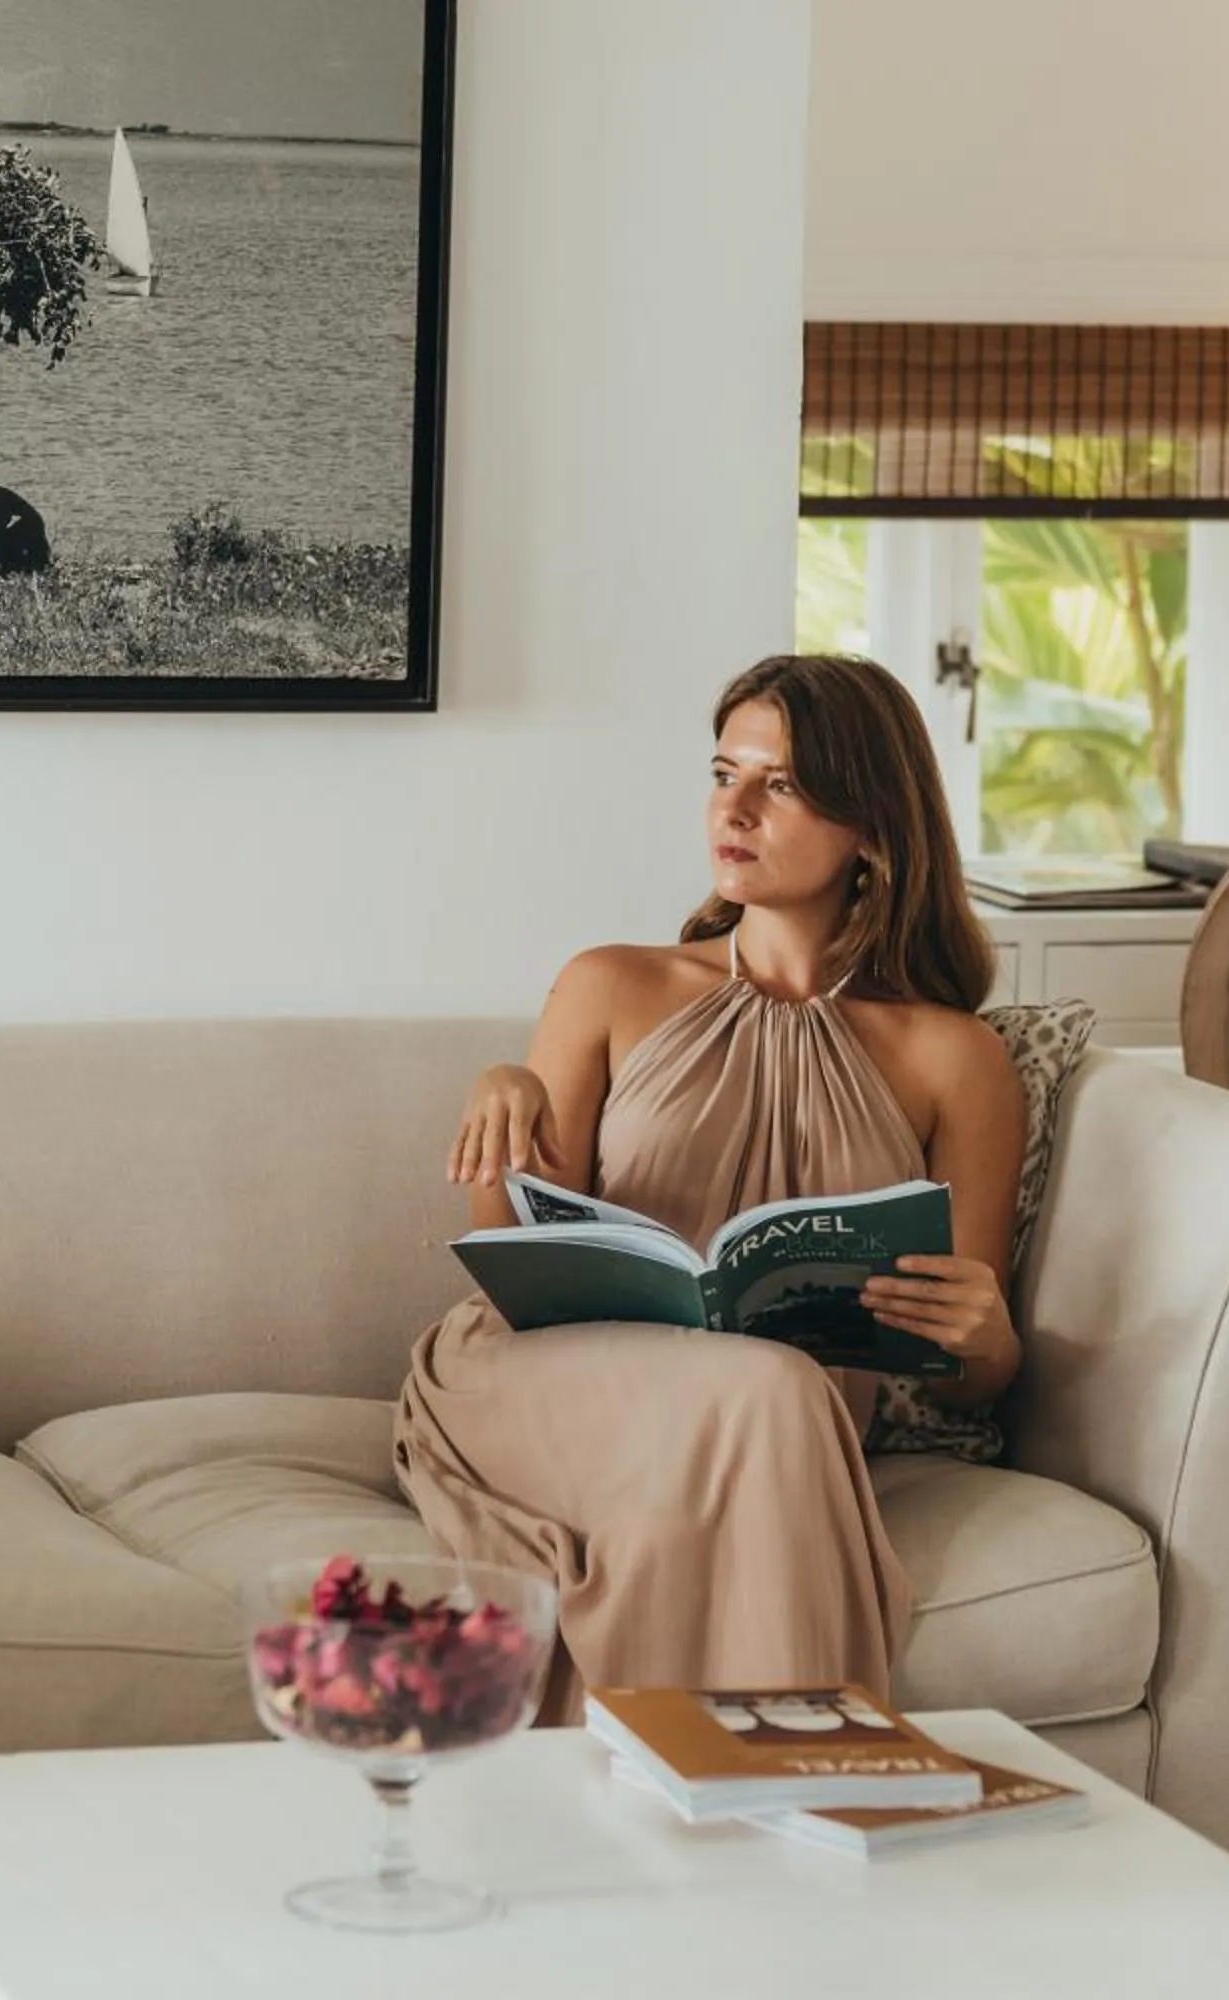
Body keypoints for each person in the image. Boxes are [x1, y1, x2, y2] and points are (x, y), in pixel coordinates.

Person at [393, 654, 1026, 1719]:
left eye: (777, 783)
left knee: (779, 1384)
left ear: (871, 825)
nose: (731, 807)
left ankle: (714, 1794)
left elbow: (969, 1375)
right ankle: (811, 1773)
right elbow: (511, 1264)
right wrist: (507, 1103)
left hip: (778, 1416)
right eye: (723, 771)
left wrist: (984, 1330)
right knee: (773, 1386)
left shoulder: (954, 1058)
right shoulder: (612, 983)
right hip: (548, 1376)